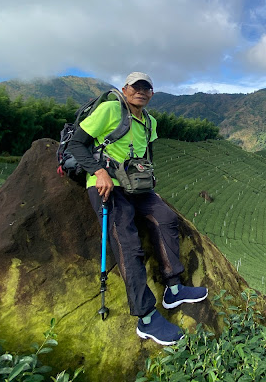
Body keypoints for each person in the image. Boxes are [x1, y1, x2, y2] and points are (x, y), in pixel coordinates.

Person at [67, 71, 207, 345]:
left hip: (136, 185)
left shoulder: (150, 122)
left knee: (166, 218)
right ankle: (145, 318)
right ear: (125, 88)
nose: (141, 91)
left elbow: (146, 154)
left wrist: (149, 175)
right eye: (136, 87)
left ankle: (173, 287)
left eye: (146, 88)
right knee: (128, 243)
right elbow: (77, 144)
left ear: (151, 94)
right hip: (106, 185)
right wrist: (99, 171)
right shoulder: (110, 110)